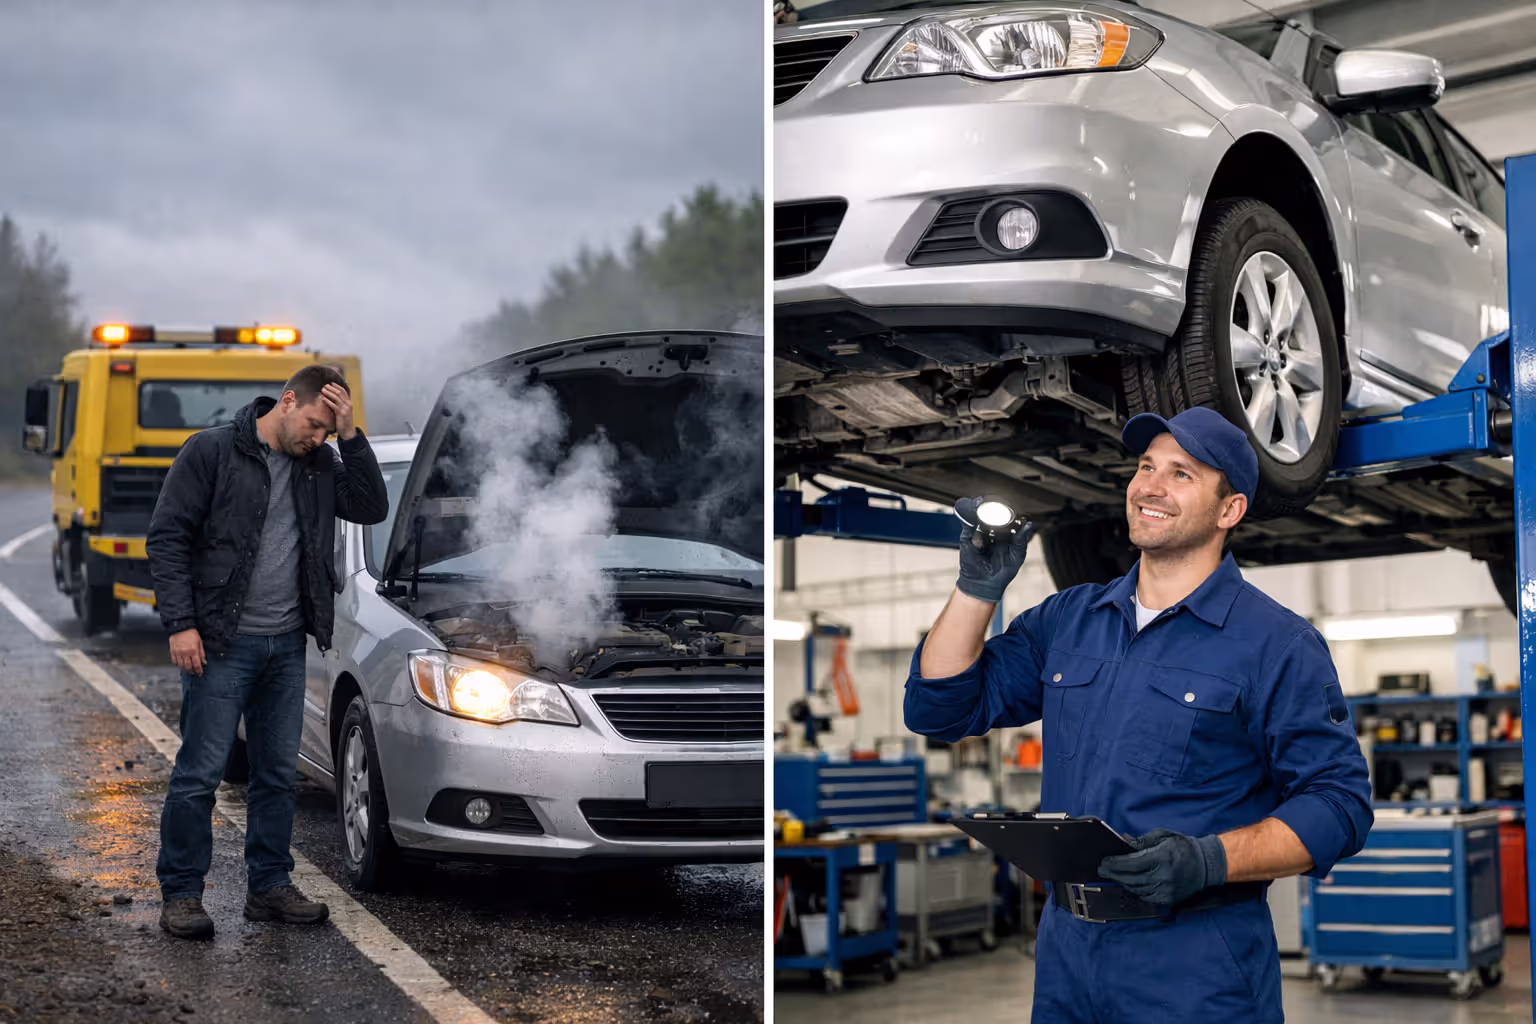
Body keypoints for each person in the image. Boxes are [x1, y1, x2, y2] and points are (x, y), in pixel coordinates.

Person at [905, 406, 1372, 1022]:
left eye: (1182, 474)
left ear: (1228, 511)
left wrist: (1210, 859)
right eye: (1146, 466)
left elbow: (1339, 804)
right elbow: (940, 708)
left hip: (1195, 963)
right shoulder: (1069, 619)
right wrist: (977, 588)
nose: (1150, 485)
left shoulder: (1275, 644)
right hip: (1068, 955)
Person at [146, 365, 388, 940]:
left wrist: (351, 436)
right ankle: (182, 894)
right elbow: (168, 537)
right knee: (199, 775)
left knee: (276, 775)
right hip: (221, 645)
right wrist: (181, 625)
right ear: (285, 402)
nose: (317, 438)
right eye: (313, 425)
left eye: (328, 433)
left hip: (286, 644)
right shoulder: (211, 452)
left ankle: (269, 887)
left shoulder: (321, 464)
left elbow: (371, 506)